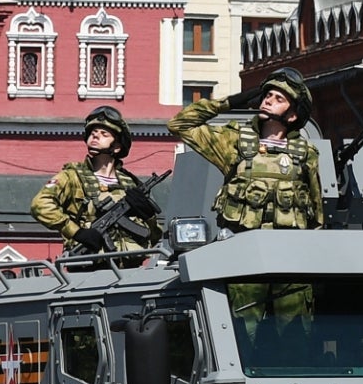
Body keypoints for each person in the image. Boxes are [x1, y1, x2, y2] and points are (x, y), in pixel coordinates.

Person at [170, 69, 326, 237]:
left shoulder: (305, 153)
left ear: (292, 116)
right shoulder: (234, 142)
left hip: (287, 246)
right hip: (240, 245)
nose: (268, 101)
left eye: (278, 99)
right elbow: (179, 124)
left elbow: (317, 213)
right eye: (268, 96)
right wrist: (229, 103)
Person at [30, 106, 161, 253]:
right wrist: (76, 232)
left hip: (131, 268)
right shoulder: (73, 176)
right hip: (89, 265)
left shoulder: (130, 183)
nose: (96, 136)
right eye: (93, 133)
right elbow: (40, 205)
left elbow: (156, 237)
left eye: (104, 134)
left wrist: (149, 216)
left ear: (117, 147)